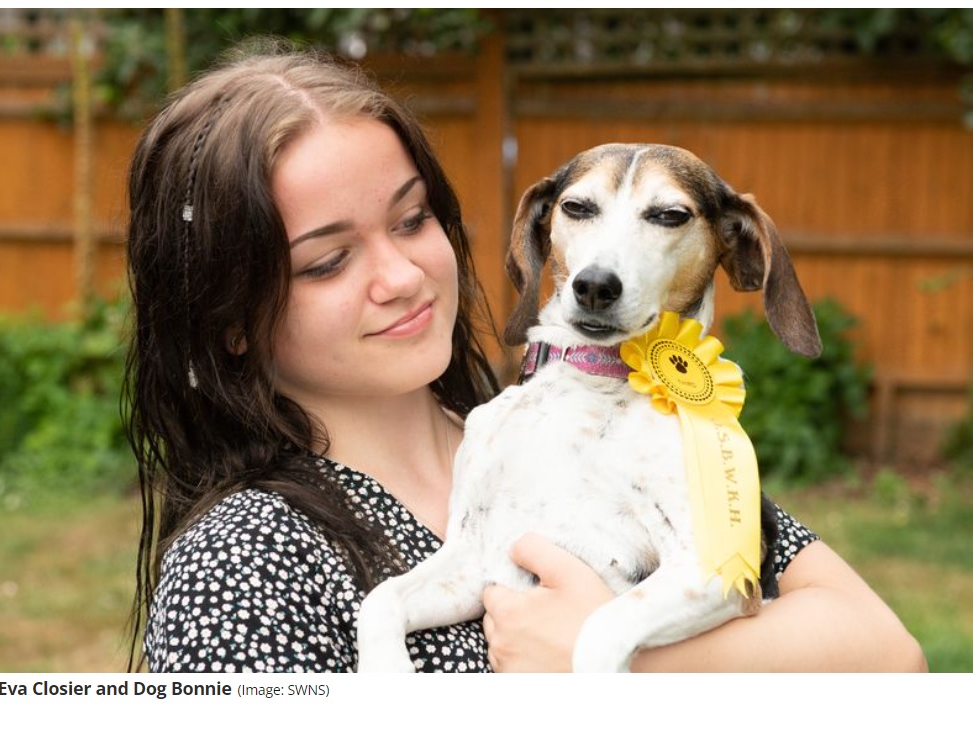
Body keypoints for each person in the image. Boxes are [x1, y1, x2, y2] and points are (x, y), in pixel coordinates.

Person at [123, 40, 925, 674]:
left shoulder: (579, 433)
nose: (402, 278)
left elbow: (888, 657)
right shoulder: (244, 561)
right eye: (327, 262)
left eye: (411, 222)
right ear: (228, 316)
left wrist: (620, 658)